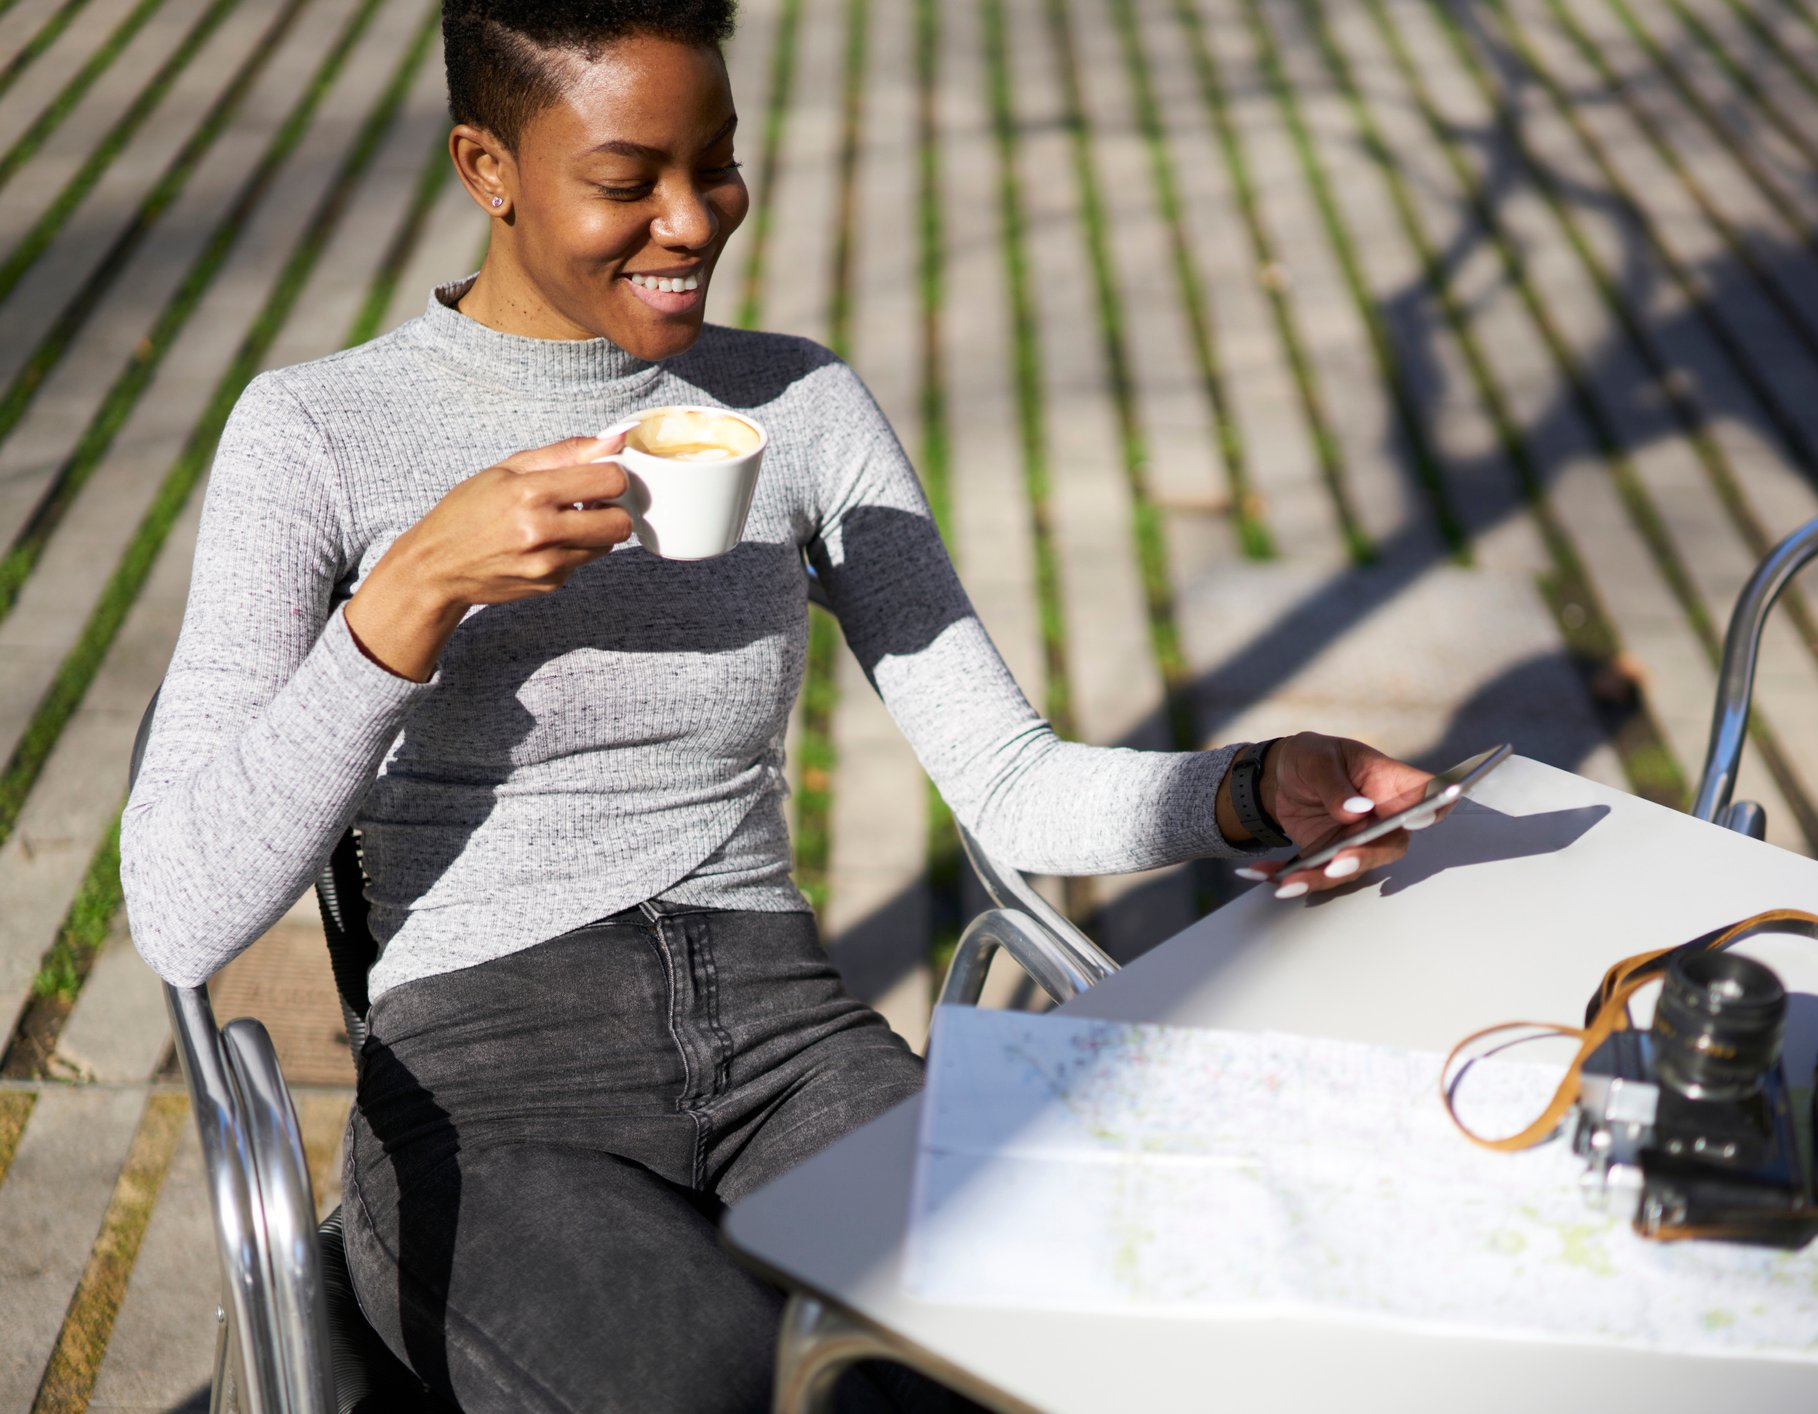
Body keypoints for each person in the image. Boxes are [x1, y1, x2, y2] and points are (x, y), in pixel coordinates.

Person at [119, 1, 1434, 1409]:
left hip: (791, 1043)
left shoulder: (794, 403)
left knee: (1077, 1342)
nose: (690, 222)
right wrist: (411, 597)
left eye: (719, 164)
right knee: (728, 1390)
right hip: (493, 1092)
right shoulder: (315, 433)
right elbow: (184, 907)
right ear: (486, 167)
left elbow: (1006, 774)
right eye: (628, 182)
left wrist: (1249, 787)